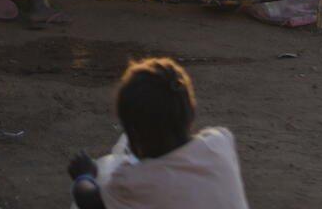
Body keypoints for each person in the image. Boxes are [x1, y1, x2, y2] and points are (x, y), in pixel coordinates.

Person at [68, 57, 250, 209]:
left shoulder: (135, 182)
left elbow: (88, 200)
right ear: (191, 113)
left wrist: (85, 175)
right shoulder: (220, 142)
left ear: (133, 134)